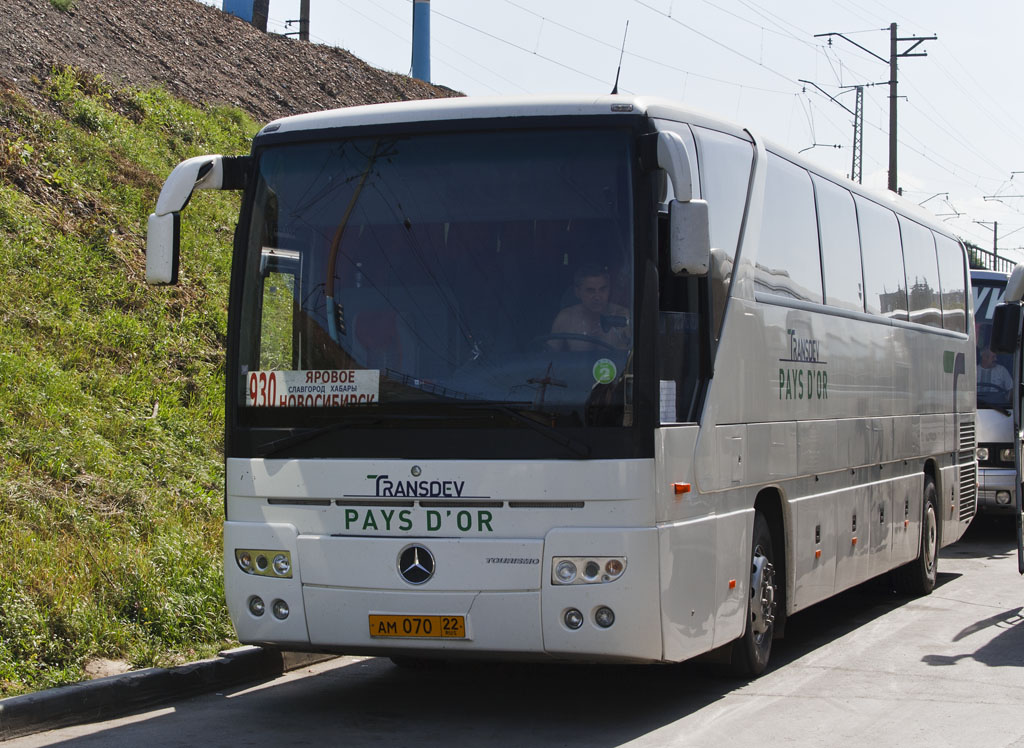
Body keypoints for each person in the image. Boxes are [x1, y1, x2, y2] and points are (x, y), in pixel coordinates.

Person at [548, 264, 630, 351]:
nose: (597, 297)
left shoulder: (623, 317)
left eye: (602, 289)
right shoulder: (566, 318)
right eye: (590, 291)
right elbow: (549, 357)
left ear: (609, 289)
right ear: (577, 292)